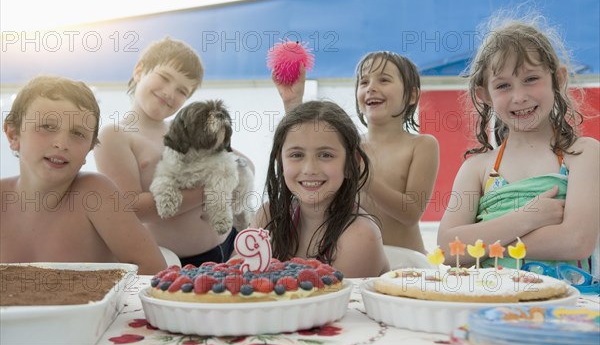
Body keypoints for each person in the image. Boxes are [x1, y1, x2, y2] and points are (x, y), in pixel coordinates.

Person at [437, 14, 599, 269]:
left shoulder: (582, 153)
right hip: (491, 305)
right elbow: (446, 249)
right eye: (503, 85)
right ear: (485, 95)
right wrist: (527, 218)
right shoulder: (477, 168)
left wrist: (484, 242)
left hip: (565, 308)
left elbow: (577, 241)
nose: (520, 96)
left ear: (558, 79)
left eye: (531, 79)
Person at [94, 37, 255, 266]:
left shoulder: (185, 129)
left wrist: (235, 173)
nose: (170, 92)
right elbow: (132, 208)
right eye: (165, 78)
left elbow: (245, 163)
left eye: (182, 90)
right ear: (139, 71)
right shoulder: (114, 135)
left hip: (230, 245)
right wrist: (212, 185)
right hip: (174, 261)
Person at [274, 52, 440, 254]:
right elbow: (304, 143)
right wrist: (292, 103)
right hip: (354, 258)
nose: (371, 88)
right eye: (364, 82)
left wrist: (362, 172)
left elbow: (410, 213)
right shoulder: (346, 145)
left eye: (384, 80)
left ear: (412, 95)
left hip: (405, 262)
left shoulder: (422, 145)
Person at [0, 76, 166, 274]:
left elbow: (155, 272)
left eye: (78, 134)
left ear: (89, 149)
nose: (61, 144)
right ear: (13, 134)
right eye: (47, 127)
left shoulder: (95, 195)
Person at [251, 100, 390, 278]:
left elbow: (333, 303)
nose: (309, 169)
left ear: (351, 163)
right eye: (297, 155)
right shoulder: (269, 217)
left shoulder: (360, 237)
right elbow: (234, 277)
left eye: (325, 155)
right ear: (281, 161)